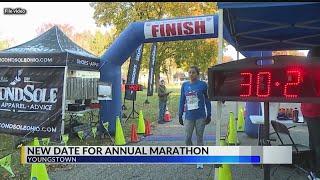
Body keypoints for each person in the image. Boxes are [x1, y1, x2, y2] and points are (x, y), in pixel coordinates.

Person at [178, 66, 211, 169]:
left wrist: (209, 114)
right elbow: (181, 100)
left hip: (200, 116)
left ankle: (200, 159)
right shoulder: (185, 85)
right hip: (189, 116)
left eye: (193, 72)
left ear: (198, 74)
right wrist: (180, 114)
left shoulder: (203, 85)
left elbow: (207, 100)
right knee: (187, 138)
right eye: (189, 72)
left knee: (199, 137)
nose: (191, 74)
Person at [301, 47, 320, 180]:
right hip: (315, 110)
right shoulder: (314, 71)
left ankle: (314, 170)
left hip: (308, 110)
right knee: (317, 143)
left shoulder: (306, 70)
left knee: (314, 142)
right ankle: (317, 172)